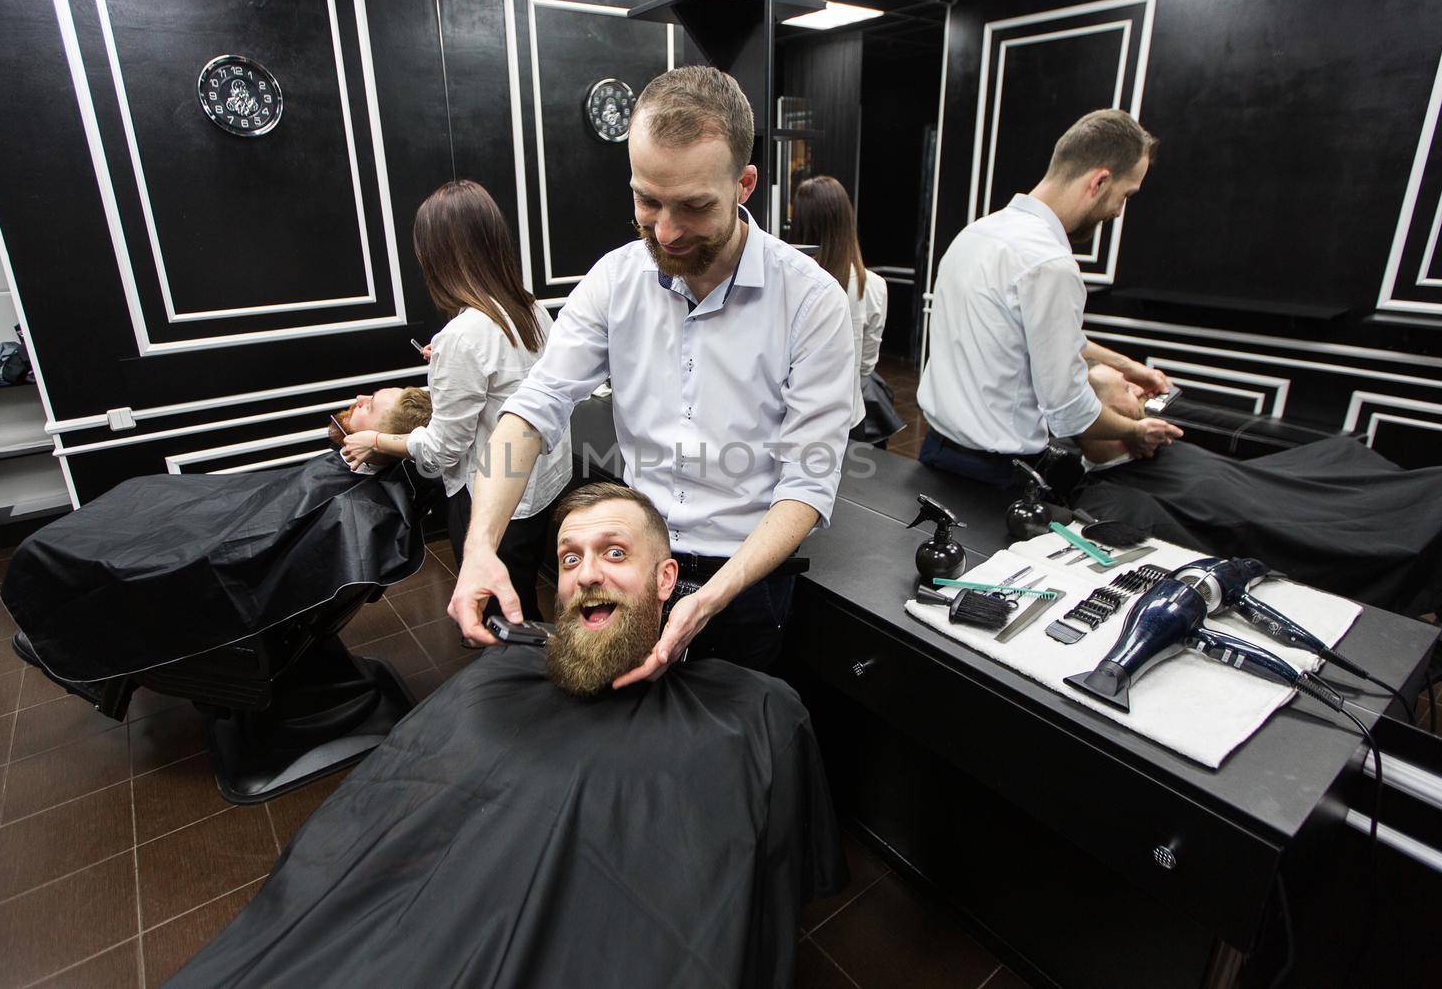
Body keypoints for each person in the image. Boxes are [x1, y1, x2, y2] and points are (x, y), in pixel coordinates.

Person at [164, 483, 847, 989]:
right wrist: (481, 544)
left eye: (615, 552)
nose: (588, 572)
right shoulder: (504, 674)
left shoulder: (754, 713)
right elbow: (381, 819)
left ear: (667, 579)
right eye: (571, 558)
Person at [447, 66, 856, 680]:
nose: (665, 231)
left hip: (744, 573)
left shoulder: (811, 302)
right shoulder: (615, 280)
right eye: (647, 200)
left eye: (694, 207)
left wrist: (712, 599)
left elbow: (808, 482)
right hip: (637, 563)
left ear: (744, 184)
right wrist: (481, 544)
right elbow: (532, 411)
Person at [340, 181, 572, 621]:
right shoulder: (530, 308)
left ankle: (522, 681)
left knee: (502, 613)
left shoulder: (464, 336)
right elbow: (507, 382)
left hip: (497, 492)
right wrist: (448, 364)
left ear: (437, 258)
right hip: (541, 484)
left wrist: (377, 440)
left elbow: (443, 450)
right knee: (519, 589)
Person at [917, 108, 1183, 487]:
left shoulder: (975, 234)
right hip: (993, 474)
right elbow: (1069, 410)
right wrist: (1135, 431)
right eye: (1124, 196)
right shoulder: (1049, 264)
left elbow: (1032, 336)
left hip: (936, 450)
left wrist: (1127, 367)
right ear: (1099, 181)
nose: (1118, 211)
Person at [1071, 366, 1442, 616]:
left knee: (1349, 455)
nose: (1138, 388)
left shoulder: (1153, 450)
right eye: (1125, 387)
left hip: (1277, 489)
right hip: (1285, 519)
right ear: (1097, 409)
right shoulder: (1114, 498)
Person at [790, 174, 897, 444]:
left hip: (793, 421)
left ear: (800, 222)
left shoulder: (787, 283)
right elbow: (866, 366)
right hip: (848, 419)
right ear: (846, 223)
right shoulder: (871, 286)